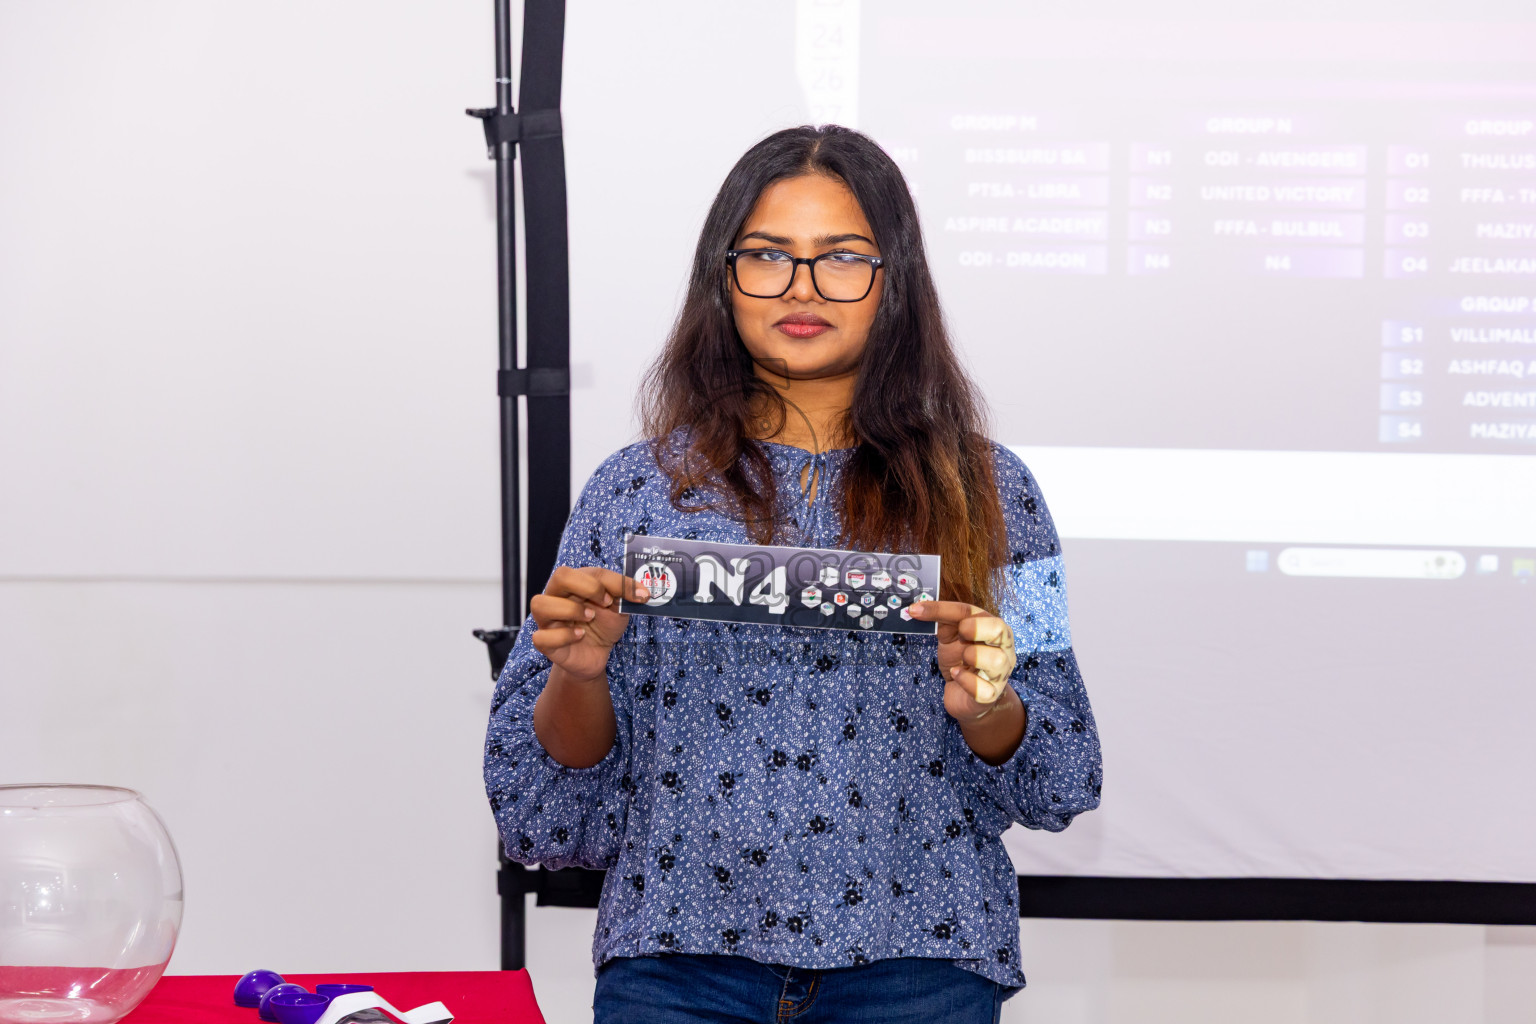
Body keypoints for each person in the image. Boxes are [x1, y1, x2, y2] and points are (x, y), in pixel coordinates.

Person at [483, 124, 1102, 1023]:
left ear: (896, 281)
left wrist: (992, 709)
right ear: (722, 278)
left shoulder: (994, 490)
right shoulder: (634, 489)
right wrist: (579, 678)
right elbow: (546, 800)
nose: (802, 288)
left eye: (842, 257)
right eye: (768, 255)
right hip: (676, 965)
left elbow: (1062, 770)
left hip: (919, 968)